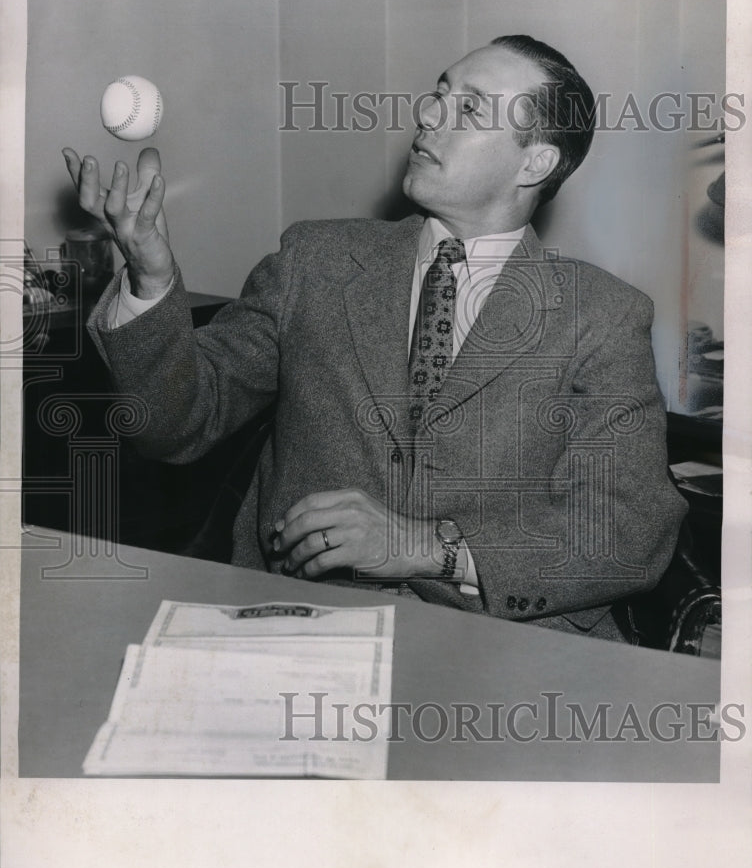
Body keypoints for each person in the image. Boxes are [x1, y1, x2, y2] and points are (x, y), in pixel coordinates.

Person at [62, 34, 687, 640]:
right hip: (302, 628)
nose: (428, 115)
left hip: (507, 646)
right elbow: (176, 425)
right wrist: (151, 275)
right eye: (438, 94)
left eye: (468, 107)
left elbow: (627, 531)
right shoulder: (315, 260)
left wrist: (421, 547)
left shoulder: (602, 316)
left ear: (535, 161)